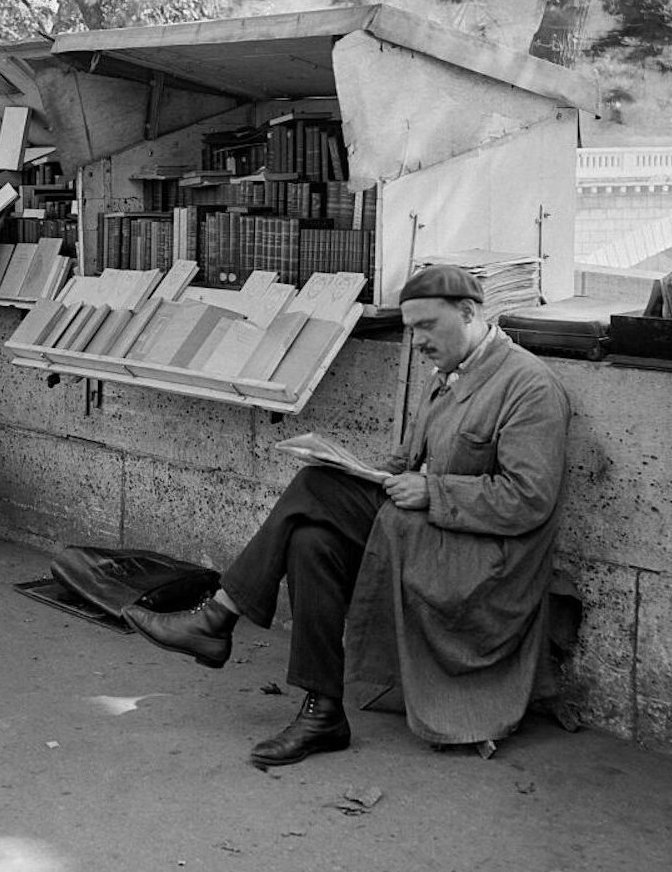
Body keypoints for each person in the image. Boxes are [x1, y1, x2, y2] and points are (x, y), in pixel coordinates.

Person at [124, 264, 571, 768]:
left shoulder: (530, 386)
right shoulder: (448, 374)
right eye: (410, 330)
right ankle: (323, 713)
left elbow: (529, 499)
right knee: (310, 540)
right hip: (432, 532)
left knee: (315, 489)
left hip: (481, 559)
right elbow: (406, 460)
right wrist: (361, 471)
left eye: (427, 326)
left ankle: (218, 615)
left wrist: (433, 489)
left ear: (469, 313)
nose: (418, 341)